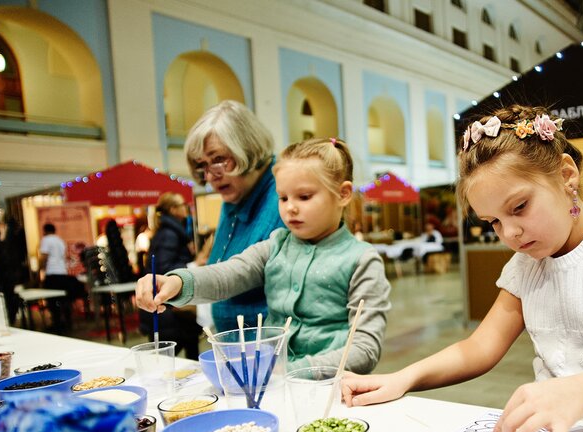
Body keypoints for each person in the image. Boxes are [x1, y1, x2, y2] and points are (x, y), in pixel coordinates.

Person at [341, 105, 583, 432]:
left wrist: (577, 393)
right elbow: (479, 347)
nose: (510, 234)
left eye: (519, 207)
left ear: (567, 176)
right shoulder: (525, 265)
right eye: (494, 222)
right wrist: (404, 377)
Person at [136, 137, 391, 373]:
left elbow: (364, 350)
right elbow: (228, 275)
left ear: (343, 194)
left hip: (330, 393)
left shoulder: (362, 260)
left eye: (304, 196)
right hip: (271, 384)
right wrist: (178, 282)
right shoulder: (276, 245)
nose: (290, 207)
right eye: (282, 197)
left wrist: (290, 372)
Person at [185, 100, 284, 331]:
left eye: (219, 159)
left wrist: (184, 283)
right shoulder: (236, 194)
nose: (210, 176)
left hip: (273, 352)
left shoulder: (284, 195)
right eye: (203, 165)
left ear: (248, 149)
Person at [137, 193, 202, 359]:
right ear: (173, 209)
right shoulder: (170, 234)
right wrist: (194, 264)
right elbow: (162, 268)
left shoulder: (171, 231)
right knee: (168, 357)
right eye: (182, 205)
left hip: (170, 307)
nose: (185, 208)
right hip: (168, 308)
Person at [0, 214, 28, 324]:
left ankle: (8, 318)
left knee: (5, 296)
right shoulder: (9, 247)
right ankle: (10, 318)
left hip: (3, 275)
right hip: (11, 274)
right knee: (8, 296)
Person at [38, 223, 73, 332]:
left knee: (52, 301)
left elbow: (44, 257)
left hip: (52, 273)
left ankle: (57, 323)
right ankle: (68, 323)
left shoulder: (46, 240)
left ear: (45, 230)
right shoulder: (60, 241)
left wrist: (40, 270)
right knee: (63, 300)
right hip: (62, 272)